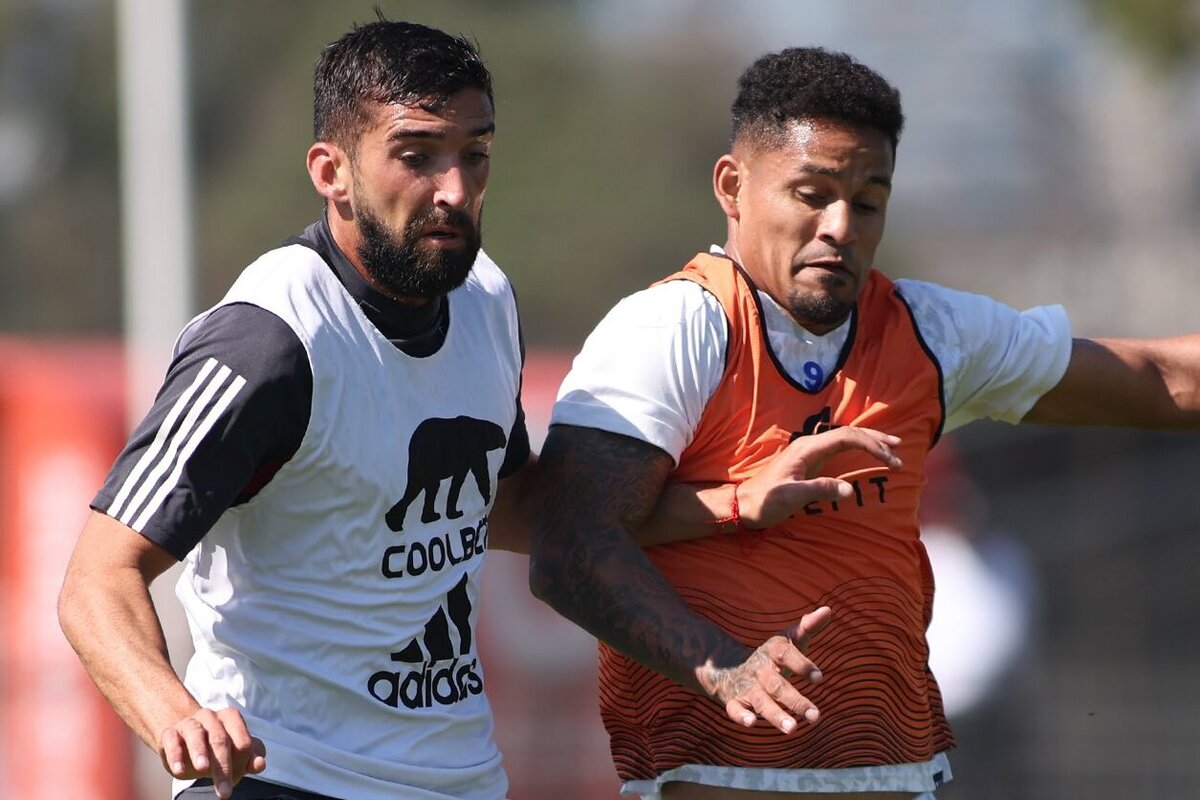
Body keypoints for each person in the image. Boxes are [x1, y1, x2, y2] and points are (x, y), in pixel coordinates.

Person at [56, 19, 905, 800]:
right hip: (289, 774)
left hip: (458, 776)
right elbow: (100, 578)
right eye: (417, 155)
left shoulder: (485, 297)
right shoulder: (270, 346)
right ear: (332, 173)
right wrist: (174, 715)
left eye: (476, 154)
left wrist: (729, 504)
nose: (455, 190)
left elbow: (504, 508)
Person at [527, 45, 1200, 800]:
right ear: (733, 186)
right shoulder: (675, 327)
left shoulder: (929, 334)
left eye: (869, 201)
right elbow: (567, 545)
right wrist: (724, 666)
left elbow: (1159, 378)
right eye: (812, 193)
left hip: (894, 775)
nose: (840, 226)